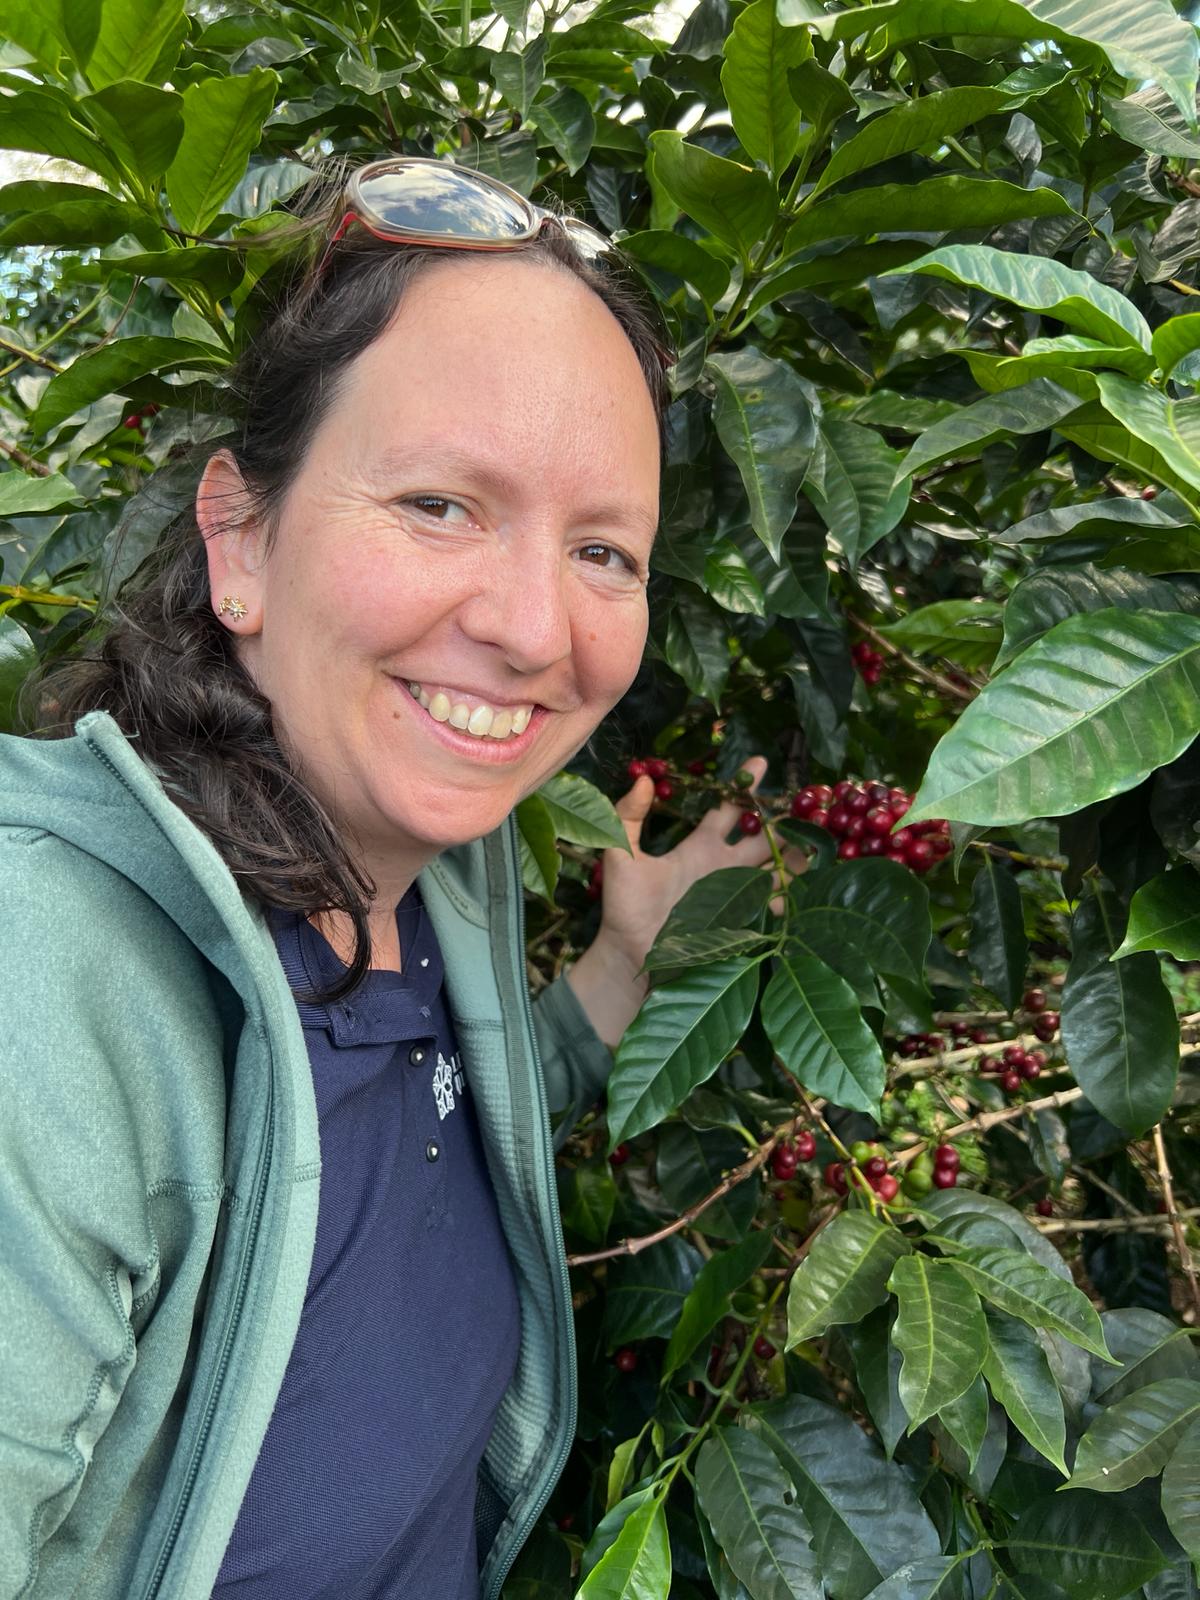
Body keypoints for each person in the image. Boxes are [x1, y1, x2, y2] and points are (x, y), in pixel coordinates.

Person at [0, 157, 776, 1600]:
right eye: (438, 504)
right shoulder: (40, 980)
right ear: (243, 537)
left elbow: (404, 1125)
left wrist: (616, 973)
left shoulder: (427, 882)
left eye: (603, 548)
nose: (537, 626)